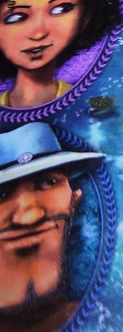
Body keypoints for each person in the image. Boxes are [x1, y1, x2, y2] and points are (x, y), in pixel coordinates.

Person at [0, 122, 104, 332]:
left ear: (73, 202)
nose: (29, 217)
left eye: (48, 182)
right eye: (2, 194)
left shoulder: (107, 316)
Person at [0, 0, 122, 109]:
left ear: (85, 18)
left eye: (61, 9)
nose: (38, 34)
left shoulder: (81, 108)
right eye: (16, 17)